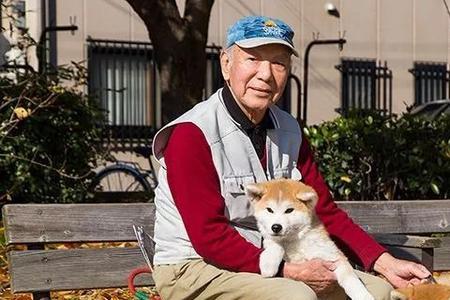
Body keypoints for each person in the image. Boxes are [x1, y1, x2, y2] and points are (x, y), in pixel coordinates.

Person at [150, 15, 430, 300]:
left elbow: (323, 212)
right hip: (193, 267)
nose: (265, 74)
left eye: (279, 63)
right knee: (296, 296)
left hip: (276, 258)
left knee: (379, 291)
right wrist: (289, 270)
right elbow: (209, 237)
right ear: (226, 63)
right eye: (253, 59)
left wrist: (384, 261)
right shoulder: (192, 134)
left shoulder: (289, 129)